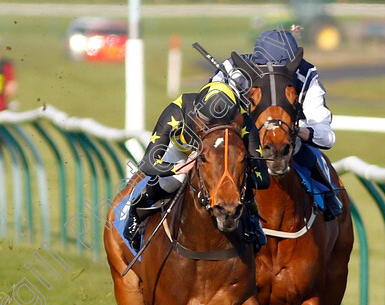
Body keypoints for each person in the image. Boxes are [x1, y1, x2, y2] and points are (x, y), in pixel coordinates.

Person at [211, 28, 342, 220]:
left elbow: (326, 135)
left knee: (305, 150)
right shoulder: (231, 71)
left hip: (290, 137)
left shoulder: (306, 75)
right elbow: (209, 114)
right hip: (238, 138)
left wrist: (298, 131)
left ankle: (329, 195)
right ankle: (160, 192)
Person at [123, 81, 269, 251]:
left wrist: (240, 175)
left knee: (235, 179)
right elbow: (147, 164)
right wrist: (178, 168)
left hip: (219, 160)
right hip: (183, 153)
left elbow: (263, 179)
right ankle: (136, 212)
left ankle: (252, 222)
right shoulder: (177, 111)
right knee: (174, 181)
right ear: (197, 112)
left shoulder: (245, 121)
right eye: (207, 123)